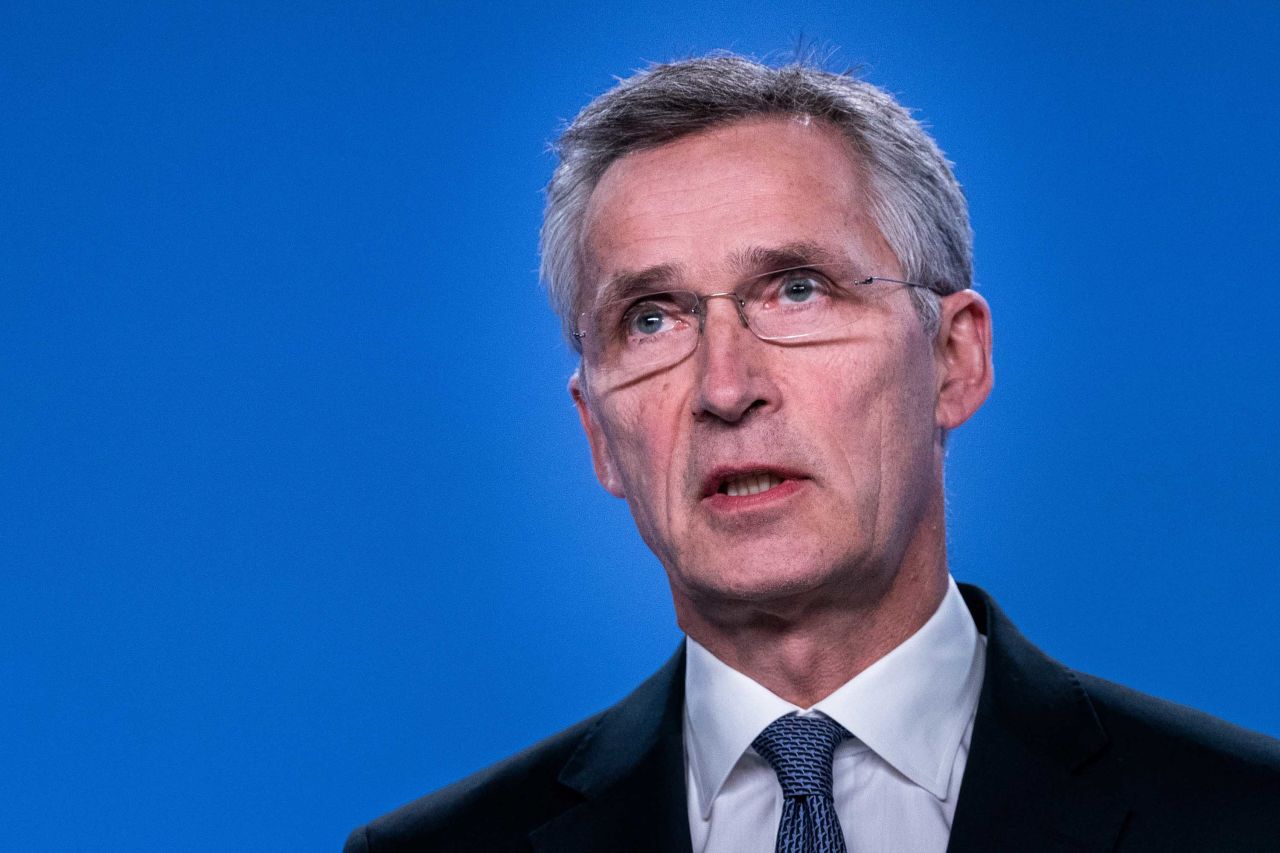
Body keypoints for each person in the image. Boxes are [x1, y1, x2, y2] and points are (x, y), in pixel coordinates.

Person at [344, 54, 1280, 852]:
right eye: (652, 318)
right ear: (600, 435)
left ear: (954, 360)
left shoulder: (1247, 817)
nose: (724, 386)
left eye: (798, 289)